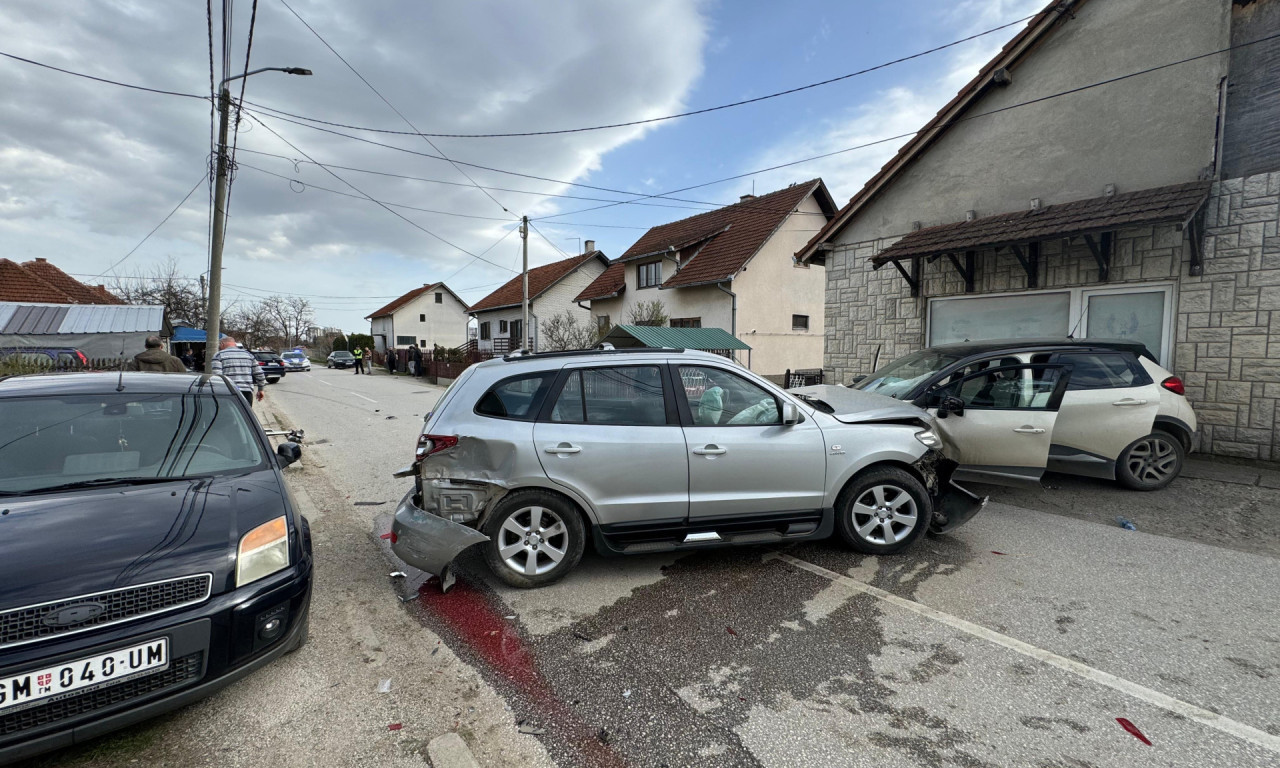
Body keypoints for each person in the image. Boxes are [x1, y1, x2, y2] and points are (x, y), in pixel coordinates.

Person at [211, 336, 266, 406]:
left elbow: (218, 376)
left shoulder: (218, 355)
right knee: (245, 416)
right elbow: (259, 373)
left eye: (219, 345)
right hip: (246, 392)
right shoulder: (248, 355)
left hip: (227, 392)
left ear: (222, 344)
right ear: (235, 344)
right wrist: (260, 389)